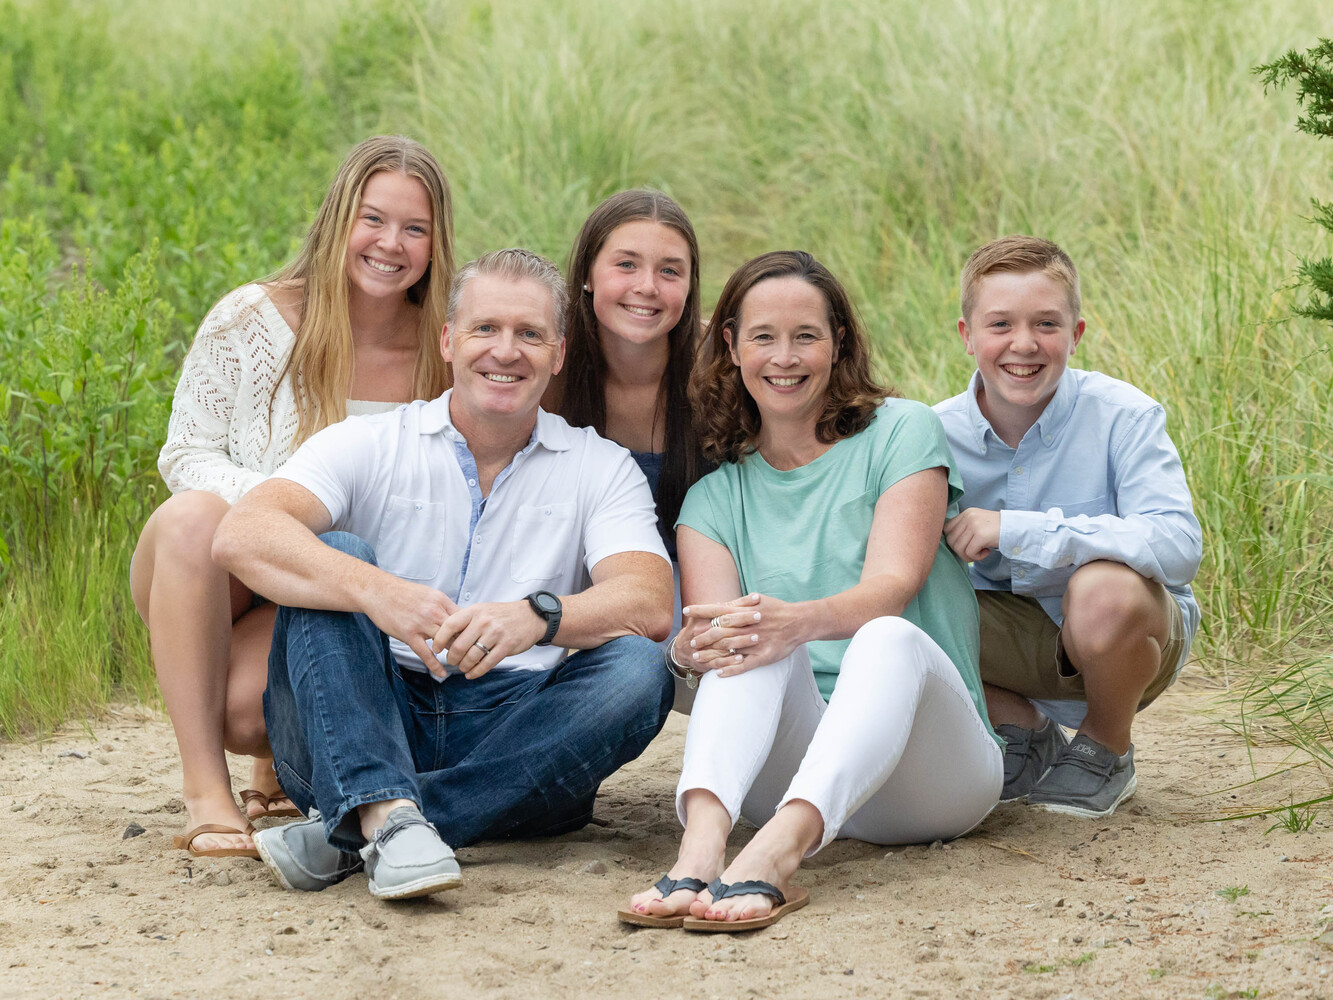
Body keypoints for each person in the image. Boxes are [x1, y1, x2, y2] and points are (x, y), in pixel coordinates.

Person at [212, 249, 675, 901]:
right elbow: (243, 531)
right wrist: (376, 593)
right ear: (449, 340)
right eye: (486, 329)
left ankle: (369, 822)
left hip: (515, 735)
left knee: (638, 666)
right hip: (358, 714)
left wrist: (537, 616)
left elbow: (650, 602)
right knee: (336, 554)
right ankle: (388, 810)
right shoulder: (371, 441)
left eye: (529, 334)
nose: (505, 352)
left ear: (558, 353)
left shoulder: (598, 465)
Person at [620, 251, 1002, 932]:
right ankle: (701, 847)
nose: (784, 357)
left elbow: (892, 586)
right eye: (763, 336)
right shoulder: (712, 499)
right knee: (739, 633)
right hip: (791, 775)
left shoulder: (902, 432)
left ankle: (774, 856)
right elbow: (717, 644)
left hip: (932, 778)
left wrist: (793, 623)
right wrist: (695, 647)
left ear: (839, 345)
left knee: (879, 636)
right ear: (732, 348)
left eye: (806, 336)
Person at [129, 135, 454, 858]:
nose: (390, 244)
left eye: (414, 228)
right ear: (338, 219)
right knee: (191, 518)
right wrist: (288, 505)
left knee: (245, 712)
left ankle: (271, 760)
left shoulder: (445, 351)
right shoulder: (253, 319)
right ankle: (205, 792)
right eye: (373, 219)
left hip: (328, 585)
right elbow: (184, 452)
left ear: (436, 243)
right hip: (222, 570)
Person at [934, 235, 1202, 818]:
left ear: (1076, 334)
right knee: (899, 596)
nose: (1023, 344)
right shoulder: (934, 436)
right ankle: (1021, 731)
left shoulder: (1125, 415)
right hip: (1011, 639)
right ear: (967, 336)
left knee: (1102, 588)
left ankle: (1107, 747)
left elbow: (1179, 548)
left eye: (1047, 324)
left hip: (1131, 637)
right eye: (1000, 324)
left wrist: (1020, 530)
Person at [549, 190, 709, 703]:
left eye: (670, 271)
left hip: (690, 593)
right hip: (569, 590)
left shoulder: (719, 368)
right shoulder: (548, 365)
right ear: (588, 275)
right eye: (626, 264)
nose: (647, 287)